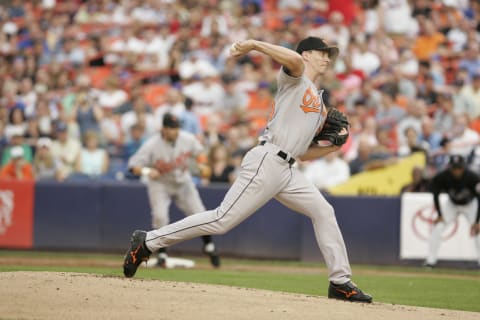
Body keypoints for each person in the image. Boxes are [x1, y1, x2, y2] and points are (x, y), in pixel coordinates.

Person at [123, 37, 372, 303]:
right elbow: (294, 61)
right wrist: (254, 43)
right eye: (322, 53)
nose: (327, 58)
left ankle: (340, 281)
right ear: (307, 53)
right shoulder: (295, 78)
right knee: (221, 220)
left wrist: (330, 148)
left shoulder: (321, 108)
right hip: (267, 159)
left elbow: (302, 154)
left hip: (288, 168)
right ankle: (148, 241)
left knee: (324, 212)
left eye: (329, 54)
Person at [127, 113, 220, 268]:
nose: (175, 131)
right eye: (171, 128)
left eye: (176, 128)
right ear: (163, 129)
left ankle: (209, 246)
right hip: (160, 183)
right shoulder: (151, 144)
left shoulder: (187, 138)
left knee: (199, 212)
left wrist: (202, 164)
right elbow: (132, 166)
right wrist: (147, 172)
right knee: (160, 217)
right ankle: (162, 254)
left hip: (183, 182)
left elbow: (200, 152)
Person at [424, 155, 480, 269]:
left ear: (464, 167)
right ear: (450, 168)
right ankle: (431, 261)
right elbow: (435, 193)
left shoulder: (473, 177)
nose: (457, 171)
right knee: (438, 227)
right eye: (454, 168)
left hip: (471, 204)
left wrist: (477, 220)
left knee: (478, 232)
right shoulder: (443, 176)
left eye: (459, 168)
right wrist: (439, 214)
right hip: (452, 204)